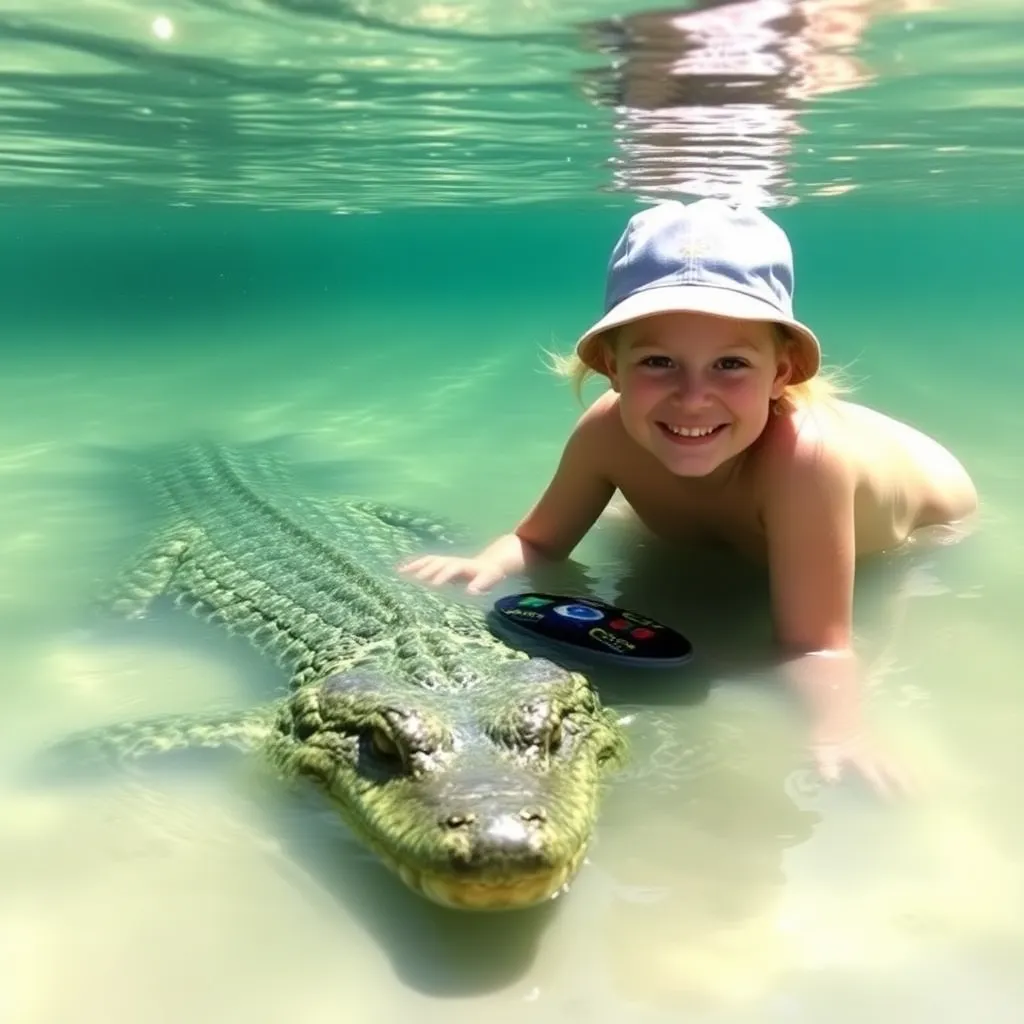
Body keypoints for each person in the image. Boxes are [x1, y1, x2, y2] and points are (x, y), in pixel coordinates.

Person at [399, 198, 978, 796]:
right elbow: (536, 539)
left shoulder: (807, 463)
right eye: (659, 362)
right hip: (760, 457)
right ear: (610, 365)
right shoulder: (607, 432)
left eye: (730, 363)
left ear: (782, 373)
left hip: (930, 507)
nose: (692, 396)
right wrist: (484, 564)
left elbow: (815, 643)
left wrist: (839, 729)